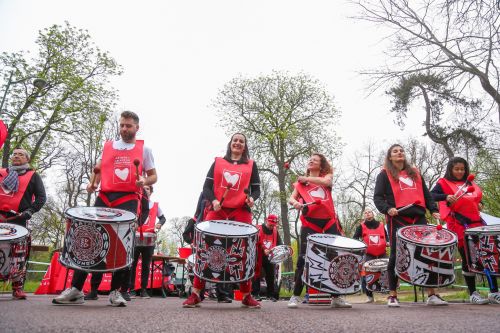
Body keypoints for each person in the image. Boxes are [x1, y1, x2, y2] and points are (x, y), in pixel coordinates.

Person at [53, 111, 157, 307]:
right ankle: (76, 289)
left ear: (137, 127)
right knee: (89, 238)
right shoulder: (108, 146)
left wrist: (144, 180)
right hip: (104, 197)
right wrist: (93, 183)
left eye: (128, 126)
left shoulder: (145, 150)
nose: (124, 129)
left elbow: (154, 176)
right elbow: (99, 169)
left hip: (128, 199)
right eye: (122, 125)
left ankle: (116, 291)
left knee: (123, 245)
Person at [182, 133, 261, 308]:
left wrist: (252, 199)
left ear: (245, 146)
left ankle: (246, 295)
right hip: (218, 210)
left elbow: (256, 190)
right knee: (205, 247)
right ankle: (196, 293)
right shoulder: (218, 162)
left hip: (241, 211)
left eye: (241, 141)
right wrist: (215, 201)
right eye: (235, 140)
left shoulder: (251, 165)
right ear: (230, 143)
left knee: (244, 251)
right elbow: (206, 188)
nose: (238, 143)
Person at [373, 143, 447, 307]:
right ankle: (392, 295)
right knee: (396, 255)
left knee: (426, 254)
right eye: (395, 151)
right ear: (390, 157)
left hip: (419, 218)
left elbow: (426, 194)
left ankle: (431, 294)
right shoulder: (384, 175)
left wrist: (433, 209)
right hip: (398, 218)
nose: (399, 153)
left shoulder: (415, 173)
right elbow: (377, 197)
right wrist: (387, 209)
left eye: (401, 150)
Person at [431, 157, 500, 304]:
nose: (460, 172)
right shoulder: (443, 183)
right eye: (456, 169)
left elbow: (474, 199)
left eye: (462, 169)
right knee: (468, 258)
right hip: (459, 225)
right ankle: (473, 293)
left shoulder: (469, 183)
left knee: (487, 255)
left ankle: (494, 292)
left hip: (478, 224)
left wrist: (480, 203)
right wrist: (446, 196)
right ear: (450, 169)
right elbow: (431, 195)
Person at [287, 153, 350, 309]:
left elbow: (327, 181)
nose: (311, 160)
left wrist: (306, 178)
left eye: (315, 160)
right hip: (310, 224)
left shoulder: (326, 178)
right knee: (303, 259)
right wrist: (296, 203)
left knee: (333, 258)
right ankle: (295, 296)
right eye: (309, 159)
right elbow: (291, 198)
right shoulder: (300, 184)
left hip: (329, 224)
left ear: (321, 165)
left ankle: (336, 297)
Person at [0, 148, 46, 299]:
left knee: (18, 254)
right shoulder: (2, 173)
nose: (16, 156)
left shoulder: (34, 176)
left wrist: (30, 211)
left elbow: (41, 198)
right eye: (14, 154)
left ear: (27, 159)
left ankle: (17, 288)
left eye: (21, 154)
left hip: (18, 220)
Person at [129, 185, 166, 298]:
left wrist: (159, 224)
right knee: (132, 264)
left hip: (149, 237)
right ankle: (131, 289)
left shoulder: (155, 205)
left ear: (151, 192)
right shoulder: (136, 203)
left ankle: (144, 289)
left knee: (146, 265)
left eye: (148, 189)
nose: (145, 190)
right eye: (143, 188)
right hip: (135, 236)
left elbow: (163, 218)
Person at [353, 208, 388, 303]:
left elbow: (386, 237)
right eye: (365, 213)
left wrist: (388, 242)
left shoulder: (381, 225)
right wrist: (361, 244)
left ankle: (389, 293)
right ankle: (370, 296)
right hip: (368, 253)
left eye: (369, 212)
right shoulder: (360, 226)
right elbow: (355, 238)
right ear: (364, 215)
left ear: (373, 214)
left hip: (382, 252)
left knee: (388, 269)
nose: (367, 214)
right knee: (368, 274)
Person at [252, 214, 282, 302]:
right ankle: (255, 294)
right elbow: (254, 241)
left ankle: (271, 295)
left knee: (271, 275)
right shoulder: (258, 228)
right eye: (270, 225)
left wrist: (277, 252)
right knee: (257, 274)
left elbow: (279, 244)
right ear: (266, 221)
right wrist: (264, 249)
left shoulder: (275, 231)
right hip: (258, 255)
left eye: (273, 225)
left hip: (270, 256)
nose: (271, 227)